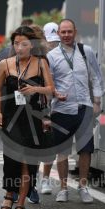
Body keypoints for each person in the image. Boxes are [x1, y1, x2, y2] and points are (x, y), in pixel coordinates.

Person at [0, 26, 54, 209]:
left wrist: (35, 90)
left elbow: (51, 90)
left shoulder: (41, 63)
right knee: (11, 159)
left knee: (28, 163)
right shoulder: (5, 64)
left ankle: (20, 203)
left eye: (24, 44)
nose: (19, 48)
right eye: (16, 44)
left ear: (32, 45)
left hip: (33, 119)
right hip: (11, 118)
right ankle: (8, 196)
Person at [47, 19, 103, 203]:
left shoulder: (85, 52)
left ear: (75, 32)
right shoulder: (52, 56)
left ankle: (83, 186)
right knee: (62, 150)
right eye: (63, 32)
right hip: (61, 109)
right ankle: (63, 189)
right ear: (58, 34)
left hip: (84, 107)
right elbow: (49, 84)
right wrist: (53, 98)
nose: (66, 35)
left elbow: (96, 77)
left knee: (85, 150)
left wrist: (97, 101)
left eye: (69, 31)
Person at [40, 21, 61, 195]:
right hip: (38, 106)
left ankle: (45, 179)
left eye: (57, 41)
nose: (53, 44)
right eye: (51, 41)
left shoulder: (64, 56)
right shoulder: (38, 57)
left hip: (55, 106)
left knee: (51, 144)